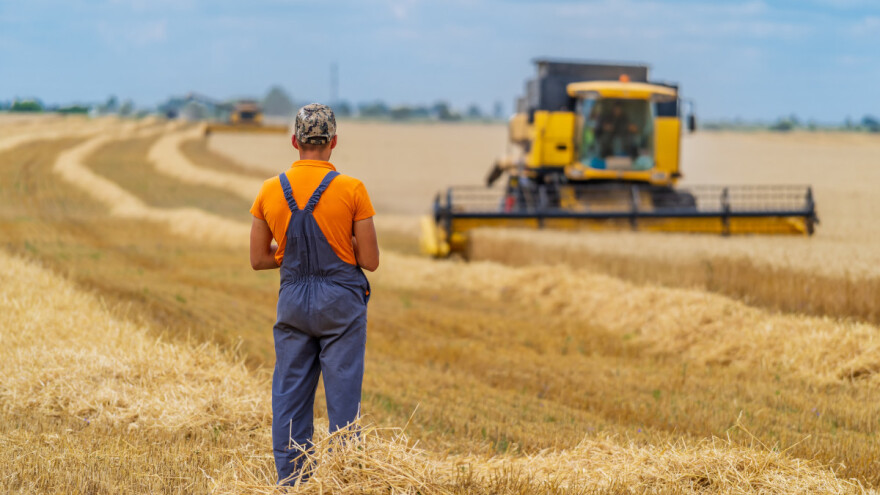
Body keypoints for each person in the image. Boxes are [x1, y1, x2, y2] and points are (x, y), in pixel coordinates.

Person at [249, 103, 380, 485]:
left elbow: (258, 259)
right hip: (341, 303)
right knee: (343, 401)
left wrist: (291, 257)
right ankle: (343, 481)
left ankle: (294, 483)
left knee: (289, 397)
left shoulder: (270, 190)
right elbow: (370, 260)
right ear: (333, 142)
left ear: (295, 141)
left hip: (292, 301)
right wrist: (343, 248)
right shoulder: (352, 189)